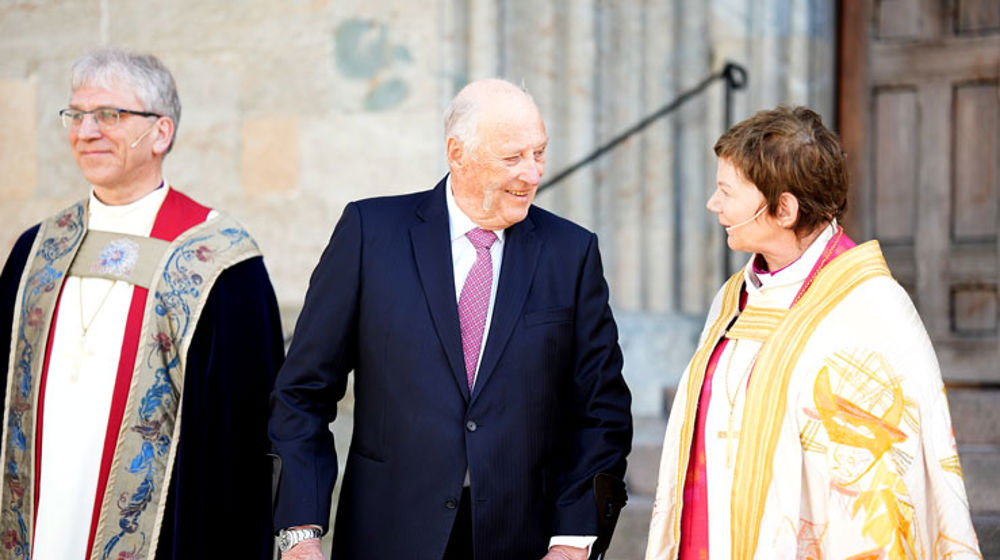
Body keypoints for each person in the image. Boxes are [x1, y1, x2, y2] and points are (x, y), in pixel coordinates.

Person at [269, 78, 632, 560]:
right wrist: (300, 530)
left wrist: (571, 541)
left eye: (539, 153)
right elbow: (302, 393)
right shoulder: (370, 234)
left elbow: (601, 411)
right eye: (513, 158)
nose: (532, 174)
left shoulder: (572, 253)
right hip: (387, 535)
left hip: (521, 540)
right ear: (457, 153)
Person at [644, 106, 982, 558]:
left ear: (784, 208)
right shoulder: (737, 296)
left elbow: (878, 487)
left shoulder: (870, 308)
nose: (713, 203)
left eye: (726, 190)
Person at [0, 48, 284, 559]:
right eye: (77, 115)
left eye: (109, 114)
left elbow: (239, 439)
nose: (86, 131)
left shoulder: (220, 261)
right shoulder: (35, 251)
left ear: (161, 133)